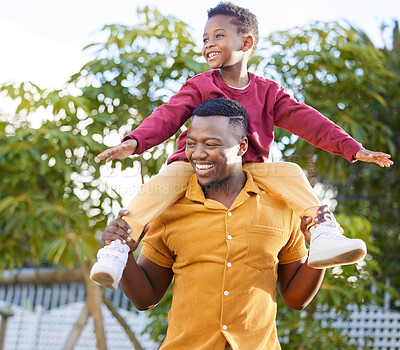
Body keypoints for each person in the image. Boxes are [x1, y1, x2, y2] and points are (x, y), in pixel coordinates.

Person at [89, 2, 393, 289]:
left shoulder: (269, 92)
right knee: (161, 184)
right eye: (205, 38)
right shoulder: (201, 85)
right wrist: (134, 142)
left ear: (246, 43)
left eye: (218, 36)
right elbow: (169, 114)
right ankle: (117, 248)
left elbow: (308, 121)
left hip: (249, 169)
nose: (208, 43)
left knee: (291, 172)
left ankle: (322, 232)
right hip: (193, 164)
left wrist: (352, 148)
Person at [101, 98, 328, 349]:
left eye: (211, 144)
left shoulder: (280, 207)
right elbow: (146, 298)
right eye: (190, 144)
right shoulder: (170, 210)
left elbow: (296, 298)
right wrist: (126, 254)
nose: (197, 154)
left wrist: (319, 250)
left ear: (242, 147)